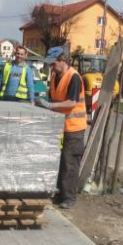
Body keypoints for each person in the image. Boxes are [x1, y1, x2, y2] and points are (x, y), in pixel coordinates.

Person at [37, 46, 87, 209]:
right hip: (59, 127)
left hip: (74, 128)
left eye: (53, 64)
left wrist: (50, 106)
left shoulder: (73, 77)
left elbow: (72, 102)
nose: (51, 67)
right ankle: (59, 193)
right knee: (59, 161)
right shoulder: (54, 76)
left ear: (62, 60)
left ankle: (69, 198)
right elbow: (54, 96)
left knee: (70, 163)